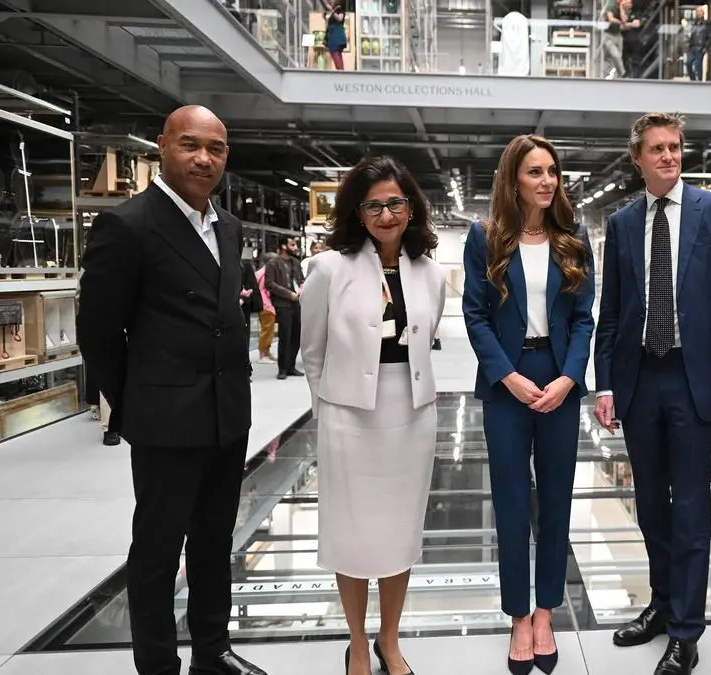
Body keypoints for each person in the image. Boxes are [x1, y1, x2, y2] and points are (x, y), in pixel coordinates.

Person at [77, 105, 266, 675]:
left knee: (214, 541)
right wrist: (136, 406)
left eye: (216, 148)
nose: (204, 158)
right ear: (162, 146)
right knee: (158, 550)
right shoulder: (129, 225)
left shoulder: (227, 226)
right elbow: (99, 333)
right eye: (190, 145)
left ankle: (213, 651)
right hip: (166, 419)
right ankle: (158, 665)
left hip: (226, 415)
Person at [594, 112, 711, 675]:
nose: (668, 156)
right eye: (657, 149)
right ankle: (662, 604)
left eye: (675, 147)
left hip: (692, 377)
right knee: (650, 506)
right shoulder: (622, 223)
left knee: (689, 506)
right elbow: (612, 310)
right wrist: (605, 383)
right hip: (640, 377)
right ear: (636, 158)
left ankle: (686, 630)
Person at [299, 156, 445, 675]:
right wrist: (327, 409)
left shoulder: (430, 272)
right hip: (348, 417)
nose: (386, 215)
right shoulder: (329, 269)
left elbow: (425, 338)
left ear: (411, 208)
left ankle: (389, 639)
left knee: (400, 532)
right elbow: (311, 351)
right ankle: (357, 642)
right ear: (357, 212)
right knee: (352, 534)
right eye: (374, 205)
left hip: (411, 414)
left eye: (395, 203)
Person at [462, 135, 595, 675]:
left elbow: (584, 318)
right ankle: (518, 615)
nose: (547, 181)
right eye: (535, 172)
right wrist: (508, 376)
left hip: (558, 381)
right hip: (508, 385)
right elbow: (475, 315)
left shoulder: (572, 237)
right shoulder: (486, 237)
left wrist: (569, 378)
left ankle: (545, 614)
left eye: (552, 171)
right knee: (513, 505)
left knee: (557, 504)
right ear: (513, 180)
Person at [264, 237, 305, 380]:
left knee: (296, 336)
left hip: (297, 303)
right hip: (283, 304)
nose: (295, 247)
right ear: (283, 246)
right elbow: (269, 284)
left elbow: (300, 279)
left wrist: (302, 287)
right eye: (292, 244)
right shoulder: (273, 263)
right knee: (285, 336)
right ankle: (282, 368)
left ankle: (291, 366)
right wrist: (289, 294)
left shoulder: (296, 263)